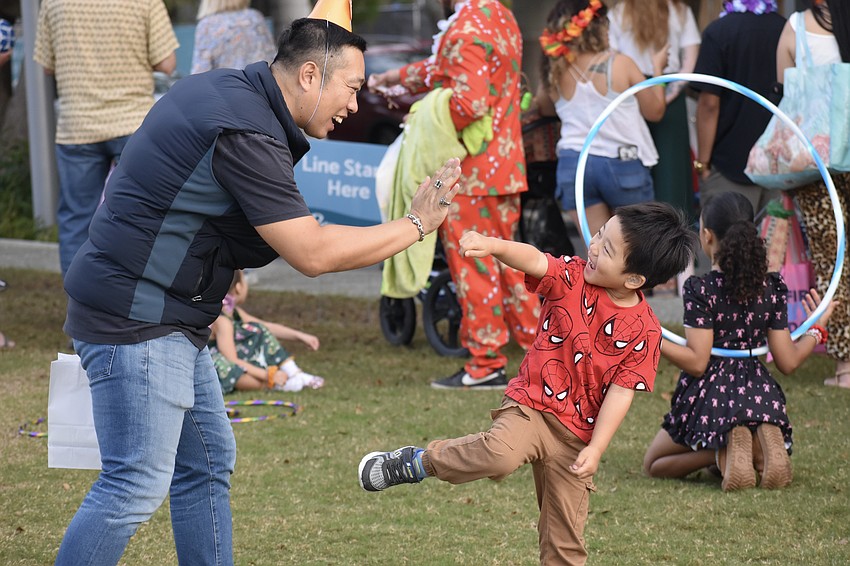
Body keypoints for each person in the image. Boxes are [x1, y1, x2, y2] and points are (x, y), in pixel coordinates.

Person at [55, 0, 464, 562]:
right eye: (351, 87)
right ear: (310, 74)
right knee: (134, 485)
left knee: (205, 464)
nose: (356, 102)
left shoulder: (234, 95)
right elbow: (312, 252)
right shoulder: (244, 125)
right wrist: (417, 224)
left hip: (167, 314)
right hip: (138, 318)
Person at [359, 202, 697, 564]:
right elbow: (535, 259)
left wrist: (596, 448)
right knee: (500, 456)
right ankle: (417, 462)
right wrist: (495, 245)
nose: (594, 246)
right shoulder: (571, 276)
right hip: (532, 407)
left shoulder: (645, 330)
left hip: (576, 438)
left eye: (608, 249)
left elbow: (621, 391)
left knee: (566, 540)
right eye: (599, 235)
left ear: (633, 279)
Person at [367, 0, 540, 390]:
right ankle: (542, 357)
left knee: (475, 266)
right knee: (509, 266)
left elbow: (469, 102)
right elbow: (444, 70)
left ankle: (485, 364)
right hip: (504, 164)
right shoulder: (498, 16)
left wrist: (425, 111)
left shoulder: (466, 30)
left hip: (472, 171)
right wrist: (394, 78)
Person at [643, 192, 835, 492]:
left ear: (706, 236)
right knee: (735, 437)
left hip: (712, 397)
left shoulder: (701, 288)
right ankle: (755, 445)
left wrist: (651, 337)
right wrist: (817, 329)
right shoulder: (771, 288)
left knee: (653, 465)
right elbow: (787, 361)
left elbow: (697, 362)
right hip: (760, 397)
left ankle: (720, 450)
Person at [33, 0, 179, 277]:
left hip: (78, 125)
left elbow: (47, 66)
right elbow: (167, 64)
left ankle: (79, 306)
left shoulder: (54, 2)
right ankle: (137, 298)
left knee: (77, 218)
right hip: (134, 124)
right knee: (143, 214)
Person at [537, 0, 667, 238]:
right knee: (645, 253)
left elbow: (544, 108)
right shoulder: (620, 63)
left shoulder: (554, 68)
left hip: (574, 164)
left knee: (599, 255)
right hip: (621, 163)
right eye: (606, 23)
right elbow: (655, 111)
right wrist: (658, 68)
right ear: (596, 27)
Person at [776, 0, 850, 389]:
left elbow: (783, 93)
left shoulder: (799, 25)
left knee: (833, 262)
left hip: (815, 161)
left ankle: (846, 366)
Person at [608, 0, 701, 219]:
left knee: (642, 171)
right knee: (671, 175)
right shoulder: (679, 10)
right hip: (665, 90)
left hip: (633, 93)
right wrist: (668, 95)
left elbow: (611, 58)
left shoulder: (619, 12)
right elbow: (690, 58)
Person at [691, 0, 785, 215]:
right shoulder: (787, 29)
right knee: (771, 246)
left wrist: (702, 164)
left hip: (729, 164)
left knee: (725, 245)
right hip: (776, 160)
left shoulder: (718, 31)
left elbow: (709, 104)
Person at [210, 270, 324, 393]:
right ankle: (274, 385)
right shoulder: (222, 322)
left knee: (260, 329)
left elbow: (267, 326)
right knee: (228, 369)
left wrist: (299, 336)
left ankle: (294, 372)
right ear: (238, 287)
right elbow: (232, 360)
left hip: (236, 361)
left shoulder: (234, 311)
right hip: (218, 367)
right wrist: (268, 375)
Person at [191, 0, 277, 74]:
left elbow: (200, 72)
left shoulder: (207, 25)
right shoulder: (255, 18)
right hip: (259, 88)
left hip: (226, 89)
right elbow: (272, 59)